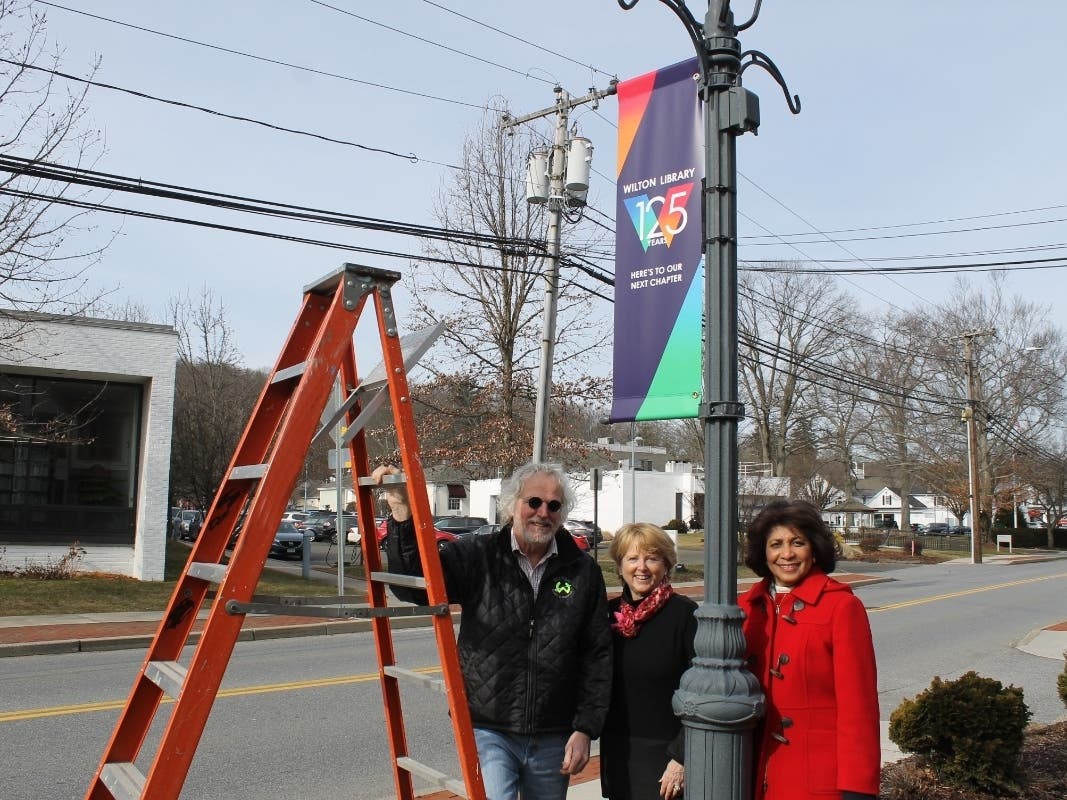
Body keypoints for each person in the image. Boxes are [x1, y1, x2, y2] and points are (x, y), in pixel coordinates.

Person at [373, 462, 612, 800]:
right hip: (489, 728)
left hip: (554, 734)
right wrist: (402, 509)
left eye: (554, 505)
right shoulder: (478, 554)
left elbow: (597, 654)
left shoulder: (582, 570)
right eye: (534, 502)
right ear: (513, 504)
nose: (543, 513)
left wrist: (585, 729)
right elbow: (418, 585)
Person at [738, 500, 880, 800]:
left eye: (797, 543)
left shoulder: (841, 607)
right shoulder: (745, 609)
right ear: (764, 553)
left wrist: (858, 787)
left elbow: (859, 706)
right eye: (776, 544)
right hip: (749, 775)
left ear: (813, 549)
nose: (786, 554)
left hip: (818, 779)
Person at [601, 523, 696, 800]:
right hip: (619, 754)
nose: (641, 567)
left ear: (666, 564)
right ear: (620, 567)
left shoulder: (684, 615)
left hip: (666, 759)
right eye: (632, 558)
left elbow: (701, 694)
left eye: (652, 558)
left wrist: (681, 758)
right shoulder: (607, 615)